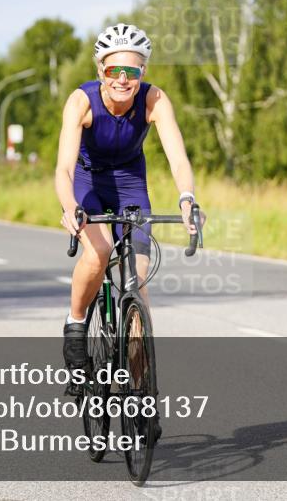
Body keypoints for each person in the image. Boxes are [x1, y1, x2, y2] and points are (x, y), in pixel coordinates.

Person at [55, 23, 203, 383]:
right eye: (113, 71)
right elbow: (63, 168)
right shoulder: (81, 101)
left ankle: (141, 387)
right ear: (100, 71)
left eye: (132, 71)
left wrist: (187, 199)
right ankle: (76, 323)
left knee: (137, 278)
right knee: (99, 252)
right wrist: (69, 206)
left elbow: (178, 159)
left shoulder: (154, 100)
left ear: (143, 72)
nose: (122, 79)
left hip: (130, 183)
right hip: (88, 182)